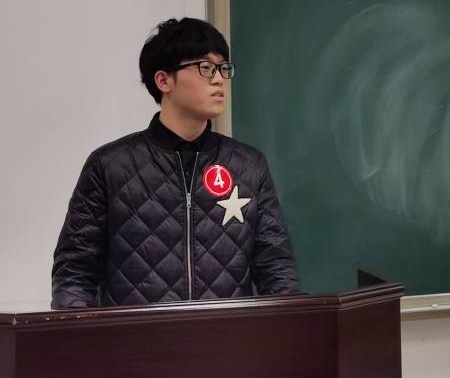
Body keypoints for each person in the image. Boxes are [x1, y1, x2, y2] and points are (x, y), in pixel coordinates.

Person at [51, 17, 300, 308]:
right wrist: (84, 332)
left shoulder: (248, 166)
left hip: (228, 336)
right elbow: (75, 273)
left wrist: (286, 327)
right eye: (205, 67)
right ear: (163, 80)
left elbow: (276, 269)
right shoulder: (110, 166)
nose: (219, 79)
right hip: (136, 337)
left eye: (223, 68)